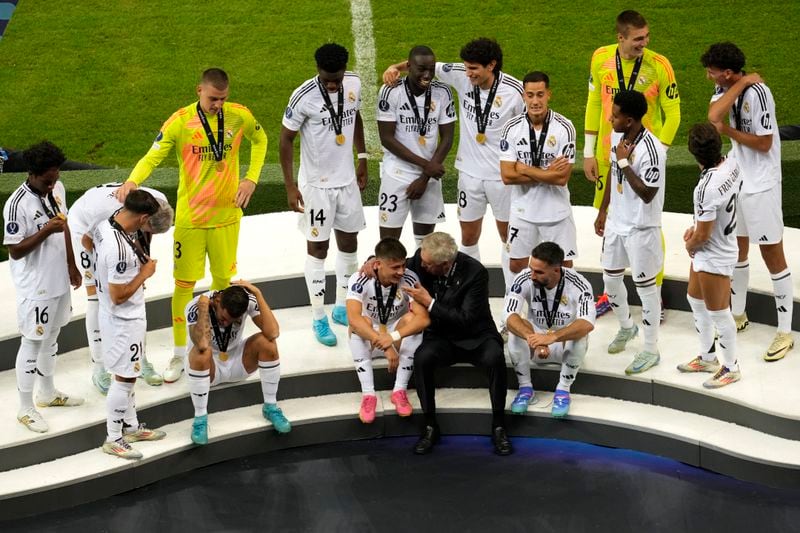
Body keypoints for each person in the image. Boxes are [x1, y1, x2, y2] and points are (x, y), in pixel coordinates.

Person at [117, 67, 267, 384]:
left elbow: (261, 138)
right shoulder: (180, 122)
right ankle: (178, 352)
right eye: (213, 99)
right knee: (184, 285)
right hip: (191, 220)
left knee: (224, 285)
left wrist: (251, 178)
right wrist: (132, 180)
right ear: (199, 90)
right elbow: (153, 156)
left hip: (227, 218)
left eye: (223, 99)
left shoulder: (238, 116)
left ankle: (223, 345)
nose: (218, 105)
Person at [384, 38, 525, 290]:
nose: (468, 73)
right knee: (468, 238)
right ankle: (473, 293)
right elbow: (424, 65)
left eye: (474, 69)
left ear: (491, 65)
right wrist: (395, 66)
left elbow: (528, 129)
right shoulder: (459, 74)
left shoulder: (515, 92)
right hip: (469, 175)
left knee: (509, 240)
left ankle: (511, 307)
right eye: (466, 67)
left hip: (501, 177)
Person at [583, 10, 680, 319]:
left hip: (644, 156)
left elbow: (673, 112)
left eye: (646, 37)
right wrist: (588, 152)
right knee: (610, 220)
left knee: (647, 222)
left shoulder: (658, 65)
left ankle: (657, 293)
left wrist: (660, 153)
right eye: (638, 38)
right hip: (607, 153)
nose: (645, 42)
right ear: (620, 37)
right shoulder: (600, 59)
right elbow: (595, 103)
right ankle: (610, 292)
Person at [703, 42, 794, 361]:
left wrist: (727, 129)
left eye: (712, 71)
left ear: (725, 72)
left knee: (772, 254)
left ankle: (785, 331)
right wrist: (740, 81)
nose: (708, 76)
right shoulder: (731, 88)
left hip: (763, 184)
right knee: (737, 248)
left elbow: (765, 141)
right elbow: (712, 115)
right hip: (739, 180)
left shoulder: (760, 95)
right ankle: (738, 315)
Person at [280, 43, 368, 348]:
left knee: (349, 243)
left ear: (344, 70)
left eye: (336, 78)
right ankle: (318, 316)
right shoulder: (303, 96)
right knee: (318, 249)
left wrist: (363, 157)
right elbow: (286, 139)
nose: (332, 84)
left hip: (346, 184)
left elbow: (355, 116)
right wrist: (291, 186)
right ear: (318, 70)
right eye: (326, 78)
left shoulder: (354, 83)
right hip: (316, 186)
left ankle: (342, 306)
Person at [403, 232, 512, 456]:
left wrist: (430, 303)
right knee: (422, 357)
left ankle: (499, 426)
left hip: (476, 335)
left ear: (444, 265)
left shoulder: (475, 272)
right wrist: (371, 263)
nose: (421, 265)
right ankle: (430, 425)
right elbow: (394, 261)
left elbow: (466, 318)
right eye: (422, 260)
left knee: (495, 357)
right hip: (441, 337)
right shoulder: (420, 260)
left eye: (427, 264)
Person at [3, 141, 83, 433]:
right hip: (35, 286)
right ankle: (25, 408)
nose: (53, 184)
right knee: (33, 341)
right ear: (32, 174)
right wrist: (44, 230)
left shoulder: (57, 190)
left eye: (56, 177)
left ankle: (47, 393)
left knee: (52, 336)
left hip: (58, 279)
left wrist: (72, 265)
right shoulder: (16, 205)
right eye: (48, 180)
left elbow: (66, 226)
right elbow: (15, 250)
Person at [68, 182, 174, 393]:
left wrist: (139, 268)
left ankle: (140, 359)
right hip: (85, 227)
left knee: (136, 289)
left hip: (117, 221)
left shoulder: (157, 201)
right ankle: (99, 369)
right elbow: (89, 242)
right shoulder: (102, 216)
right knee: (96, 297)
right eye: (146, 229)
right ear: (142, 219)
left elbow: (145, 236)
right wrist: (113, 273)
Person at [594, 90, 666, 375]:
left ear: (631, 119)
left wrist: (625, 162)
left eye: (616, 114)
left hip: (641, 228)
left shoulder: (653, 151)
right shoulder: (617, 136)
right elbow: (613, 172)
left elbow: (648, 193)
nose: (610, 118)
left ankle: (650, 350)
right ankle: (627, 327)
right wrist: (603, 210)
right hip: (616, 221)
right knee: (609, 281)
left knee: (647, 290)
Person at [94, 190, 167, 459]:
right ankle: (114, 437)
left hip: (116, 316)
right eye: (147, 223)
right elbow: (119, 294)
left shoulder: (107, 223)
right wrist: (143, 274)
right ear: (143, 216)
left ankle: (132, 426)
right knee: (125, 377)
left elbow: (87, 241)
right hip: (123, 320)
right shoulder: (120, 250)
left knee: (130, 372)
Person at [186, 281, 290, 445]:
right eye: (223, 318)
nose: (226, 323)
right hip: (208, 368)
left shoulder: (247, 301)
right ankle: (200, 419)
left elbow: (273, 332)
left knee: (268, 343)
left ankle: (270, 407)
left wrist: (258, 294)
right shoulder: (196, 305)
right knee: (202, 352)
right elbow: (203, 343)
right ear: (218, 302)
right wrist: (204, 309)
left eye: (232, 320)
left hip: (237, 362)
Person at [679, 123, 742, 388]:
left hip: (714, 253)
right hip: (718, 246)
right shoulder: (732, 165)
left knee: (719, 313)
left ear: (694, 153)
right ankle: (707, 357)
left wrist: (690, 243)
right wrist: (698, 229)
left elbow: (703, 235)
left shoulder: (704, 189)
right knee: (694, 298)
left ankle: (731, 366)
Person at [499, 71, 578, 279]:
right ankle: (516, 306)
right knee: (516, 264)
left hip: (556, 212)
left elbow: (562, 179)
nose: (535, 101)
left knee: (564, 267)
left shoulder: (565, 128)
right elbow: (507, 176)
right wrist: (547, 173)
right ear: (523, 96)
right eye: (530, 95)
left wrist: (524, 169)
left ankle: (559, 308)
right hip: (522, 210)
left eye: (540, 94)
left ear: (549, 95)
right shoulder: (511, 128)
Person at [504, 242, 595, 416]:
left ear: (556, 270)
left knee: (580, 335)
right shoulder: (523, 278)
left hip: (563, 345)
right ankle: (525, 389)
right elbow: (508, 316)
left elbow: (587, 323)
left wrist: (552, 338)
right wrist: (534, 338)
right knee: (516, 330)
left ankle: (563, 390)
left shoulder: (579, 284)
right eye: (531, 269)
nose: (532, 275)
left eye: (539, 272)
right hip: (534, 344)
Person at [376, 45, 455, 245]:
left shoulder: (443, 92)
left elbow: (447, 137)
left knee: (426, 245)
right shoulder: (390, 92)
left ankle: (420, 277)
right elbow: (387, 138)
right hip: (397, 173)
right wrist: (426, 166)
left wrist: (426, 175)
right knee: (388, 243)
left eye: (431, 69)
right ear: (408, 67)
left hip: (429, 176)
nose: (427, 75)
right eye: (421, 69)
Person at [346, 238, 429, 423]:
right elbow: (353, 317)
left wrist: (392, 337)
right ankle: (369, 395)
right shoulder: (360, 278)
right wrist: (386, 346)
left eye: (403, 265)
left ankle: (399, 390)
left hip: (395, 333)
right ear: (377, 264)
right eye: (395, 267)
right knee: (359, 323)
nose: (400, 272)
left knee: (412, 321)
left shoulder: (409, 278)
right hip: (372, 334)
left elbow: (423, 319)